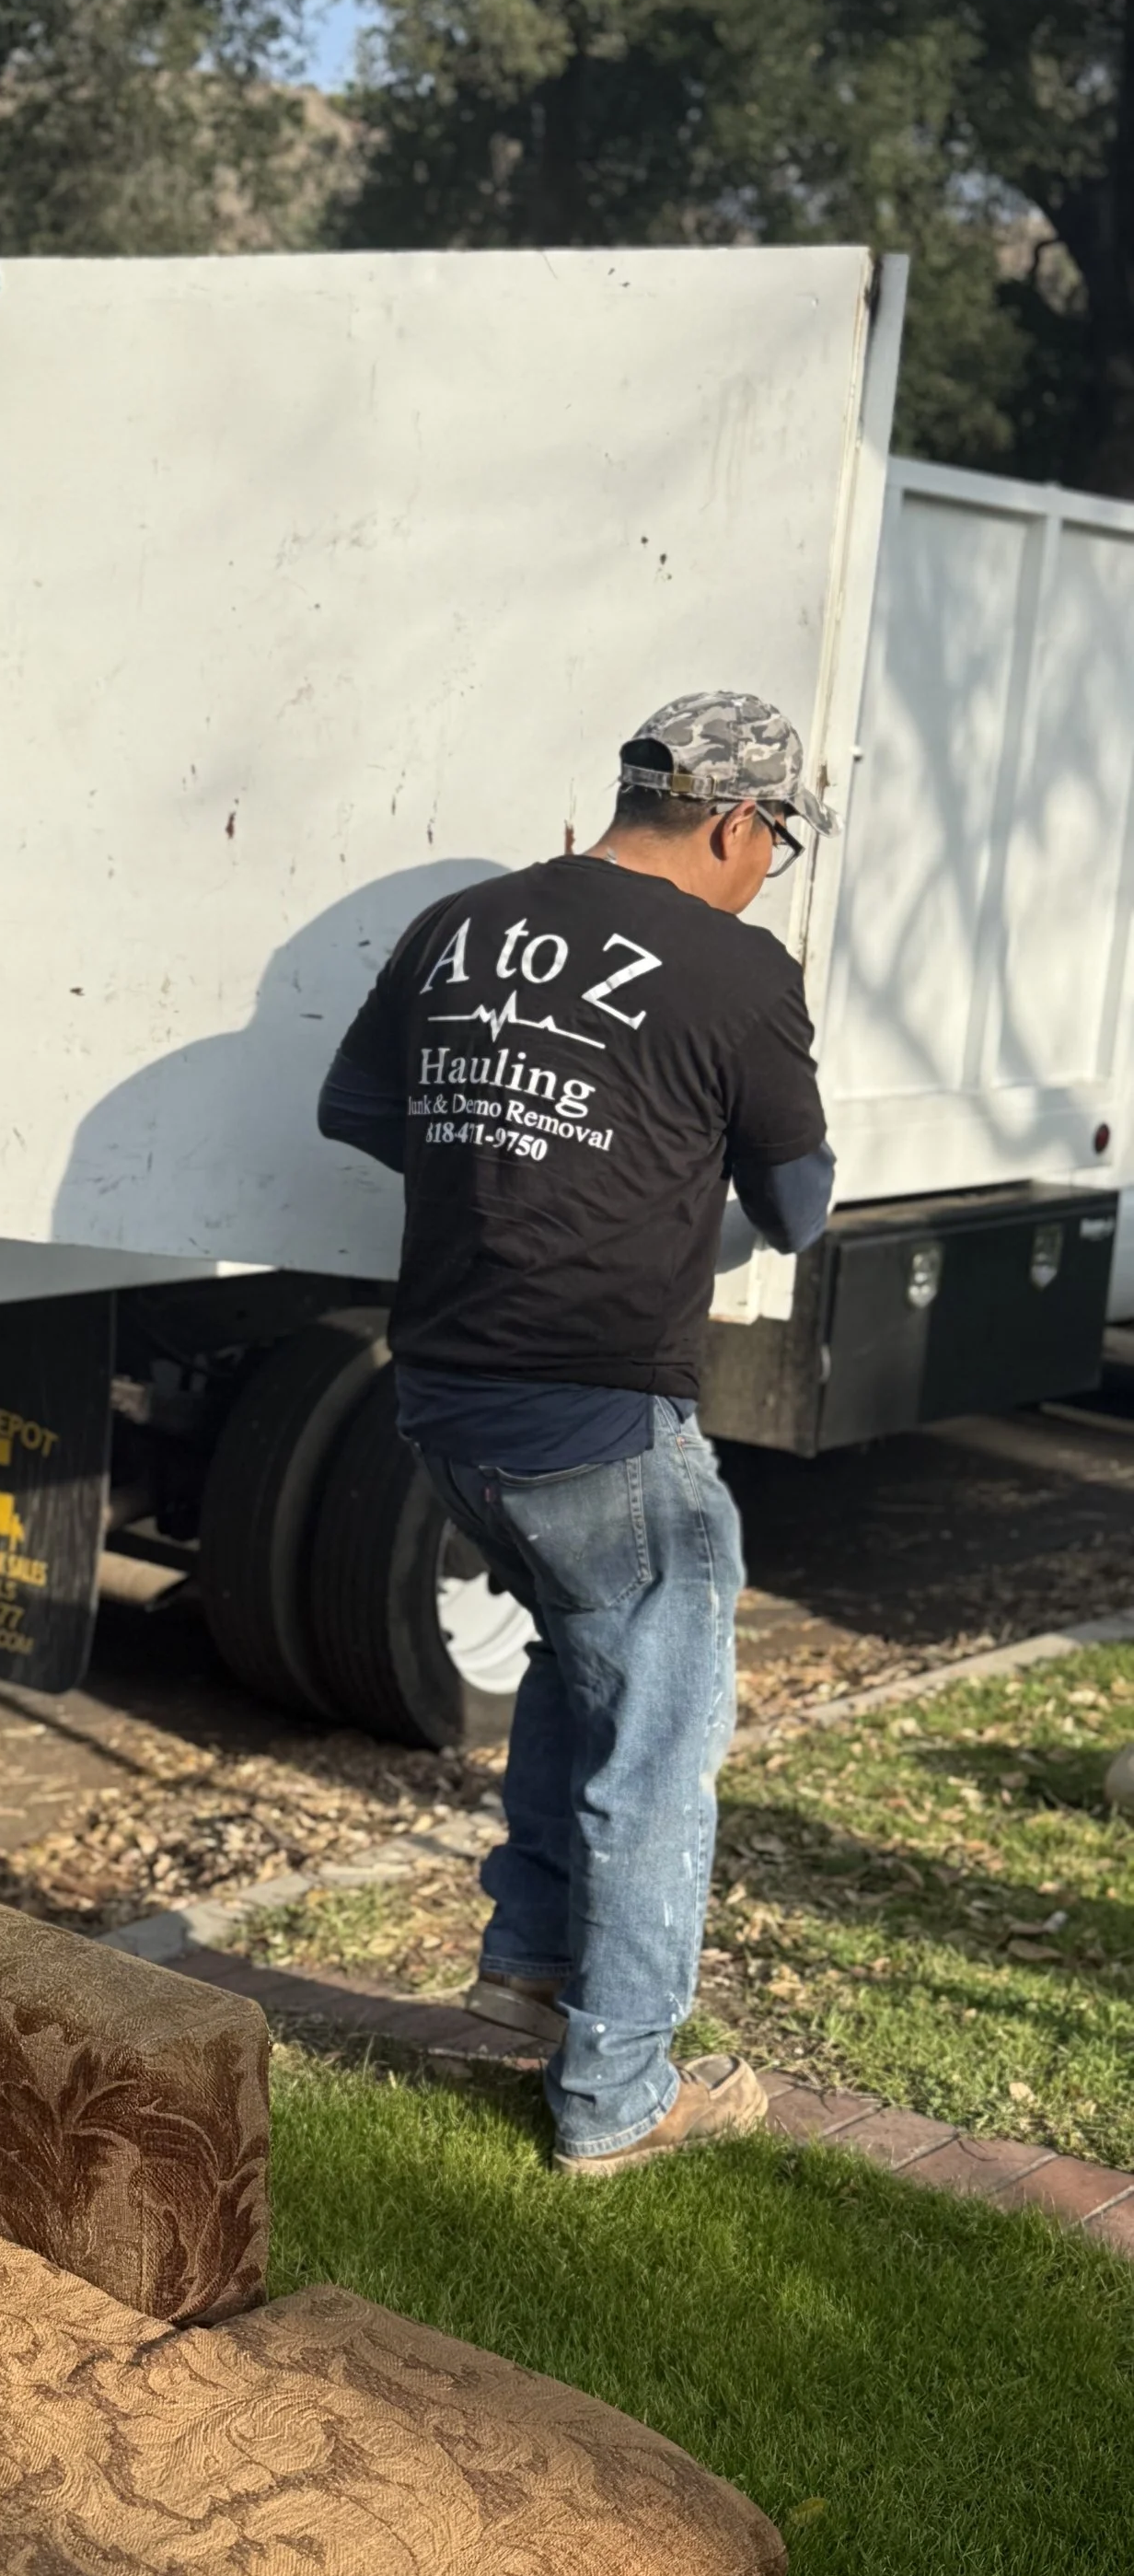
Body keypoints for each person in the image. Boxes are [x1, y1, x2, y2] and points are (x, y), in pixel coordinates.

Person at [318, 692, 835, 2177]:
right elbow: (798, 1206)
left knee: (575, 1653)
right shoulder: (737, 969)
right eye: (780, 842)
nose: (771, 870)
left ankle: (530, 1965)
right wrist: (655, 1198)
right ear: (737, 821)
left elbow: (355, 1110)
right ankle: (618, 2095)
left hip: (443, 1396)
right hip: (598, 1411)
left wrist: (514, 1179)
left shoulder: (463, 925)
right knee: (660, 1742)